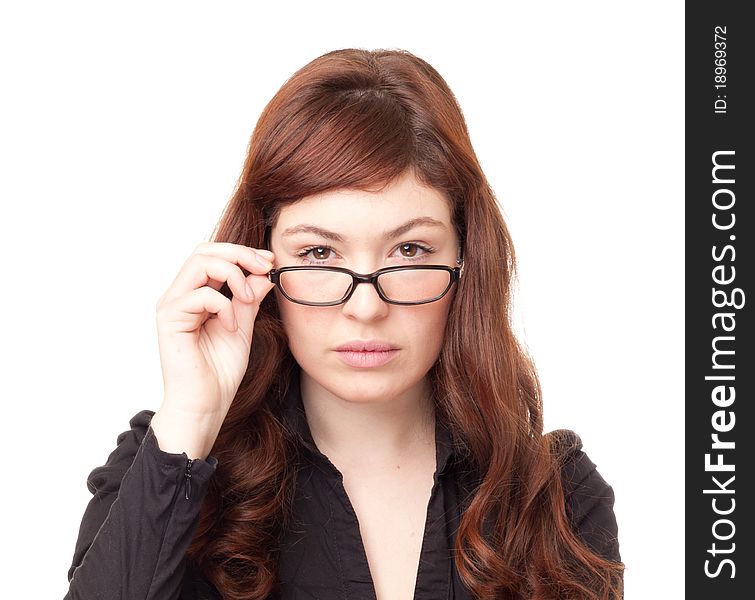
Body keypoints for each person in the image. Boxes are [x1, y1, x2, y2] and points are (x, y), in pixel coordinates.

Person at [65, 48, 624, 600]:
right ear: (259, 260)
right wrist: (194, 414)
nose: (365, 307)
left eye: (409, 250)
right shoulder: (165, 465)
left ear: (465, 263)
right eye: (317, 254)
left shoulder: (556, 500)